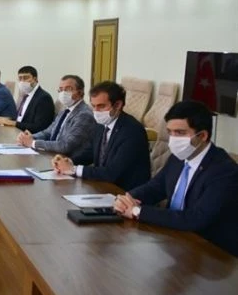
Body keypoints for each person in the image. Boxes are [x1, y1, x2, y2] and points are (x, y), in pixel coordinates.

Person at [114, 101, 238, 257]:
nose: (173, 139)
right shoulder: (178, 158)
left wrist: (137, 211)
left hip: (210, 253)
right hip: (173, 239)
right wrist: (127, 199)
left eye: (180, 133)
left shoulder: (224, 171)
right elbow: (154, 188)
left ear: (202, 136)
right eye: (170, 132)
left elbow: (195, 218)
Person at [53, 81, 150, 191]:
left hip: (125, 192)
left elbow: (112, 173)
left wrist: (74, 169)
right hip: (103, 186)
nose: (96, 111)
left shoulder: (132, 131)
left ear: (118, 105)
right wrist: (67, 161)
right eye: (93, 106)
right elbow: (90, 152)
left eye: (101, 106)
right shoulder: (101, 124)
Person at [18, 75, 95, 163]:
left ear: (80, 92)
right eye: (61, 89)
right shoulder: (65, 110)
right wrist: (30, 137)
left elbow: (66, 146)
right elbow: (48, 132)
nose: (63, 93)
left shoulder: (84, 115)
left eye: (68, 89)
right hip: (53, 155)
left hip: (68, 161)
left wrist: (33, 143)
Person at [0, 66, 54, 133]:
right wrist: (7, 119)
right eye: (20, 78)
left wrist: (13, 123)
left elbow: (39, 127)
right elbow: (21, 118)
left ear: (35, 79)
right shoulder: (27, 95)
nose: (22, 81)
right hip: (18, 131)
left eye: (26, 78)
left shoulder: (44, 98)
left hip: (29, 135)